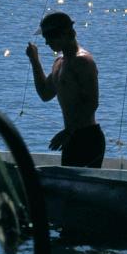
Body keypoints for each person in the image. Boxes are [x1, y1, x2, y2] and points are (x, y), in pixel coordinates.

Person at [25, 11, 105, 167]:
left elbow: (92, 103)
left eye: (49, 37)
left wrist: (69, 131)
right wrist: (35, 61)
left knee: (82, 189)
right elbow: (45, 94)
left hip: (87, 137)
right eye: (44, 37)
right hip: (71, 137)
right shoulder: (59, 62)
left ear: (65, 34)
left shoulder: (83, 61)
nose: (47, 42)